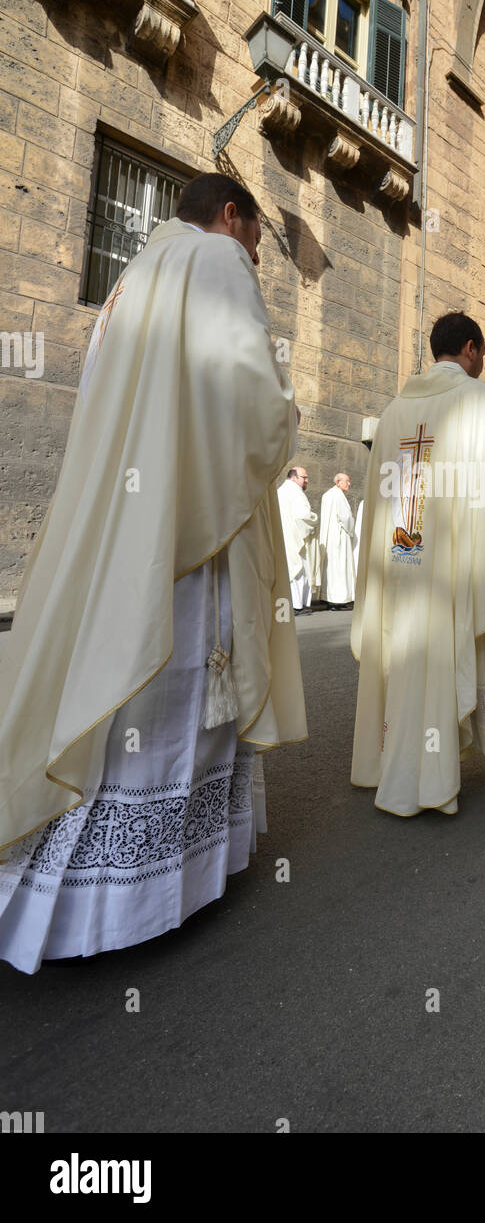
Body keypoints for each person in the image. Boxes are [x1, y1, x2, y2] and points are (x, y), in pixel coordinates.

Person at [0, 173, 307, 974]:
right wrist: (288, 417)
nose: (255, 261)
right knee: (171, 705)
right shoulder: (212, 260)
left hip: (120, 524)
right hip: (185, 534)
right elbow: (250, 397)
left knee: (107, 693)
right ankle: (147, 898)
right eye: (254, 243)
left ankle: (67, 902)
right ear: (230, 216)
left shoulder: (130, 280)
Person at [351, 311, 485, 816]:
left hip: (403, 558)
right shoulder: (483, 400)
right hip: (460, 568)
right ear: (470, 348)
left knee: (406, 660)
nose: (483, 362)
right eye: (483, 353)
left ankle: (395, 766)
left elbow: (378, 503)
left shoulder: (396, 408)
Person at [277, 466, 318, 616]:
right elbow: (303, 516)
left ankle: (294, 603)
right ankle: (298, 605)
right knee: (299, 570)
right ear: (294, 477)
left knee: (289, 569)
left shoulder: (281, 490)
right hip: (295, 536)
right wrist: (314, 519)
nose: (307, 480)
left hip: (284, 535)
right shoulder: (296, 492)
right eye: (304, 477)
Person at [319, 474, 356, 609]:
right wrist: (352, 530)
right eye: (347, 481)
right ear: (338, 482)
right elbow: (345, 518)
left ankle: (328, 597)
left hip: (329, 538)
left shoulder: (327, 494)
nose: (349, 484)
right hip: (340, 538)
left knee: (331, 568)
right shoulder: (338, 496)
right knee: (340, 568)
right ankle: (338, 600)